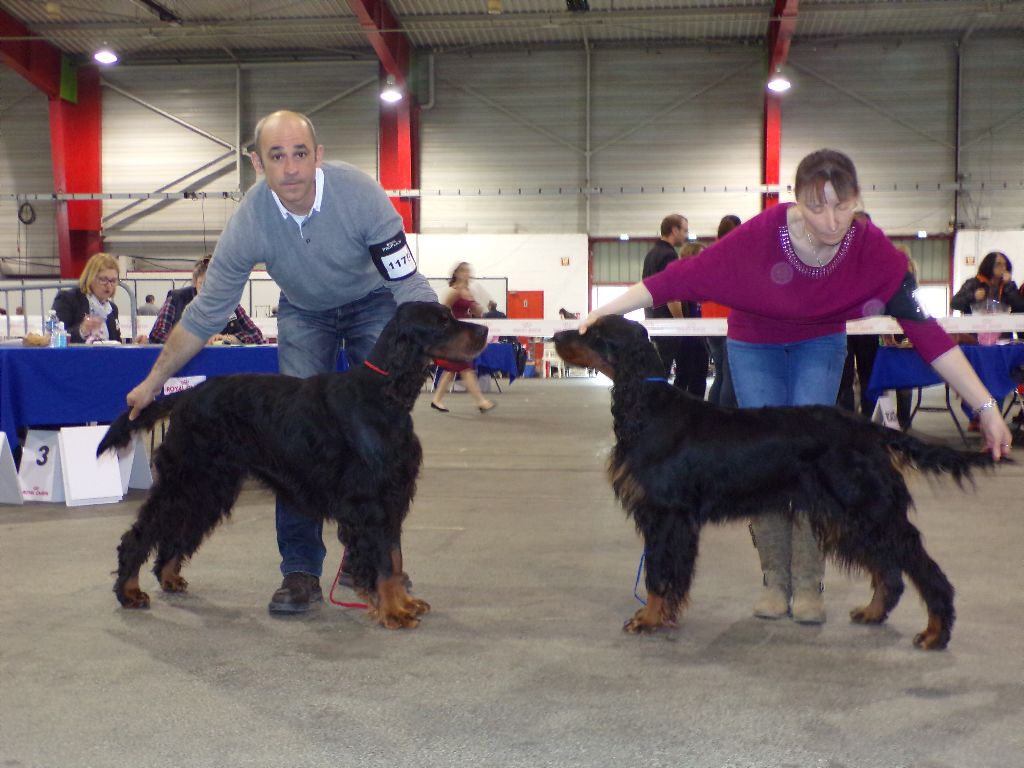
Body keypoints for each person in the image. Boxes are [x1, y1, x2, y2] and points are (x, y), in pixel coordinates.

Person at [581, 148, 1012, 626]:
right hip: (754, 345)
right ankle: (775, 581)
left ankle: (808, 583)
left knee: (815, 466)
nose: (830, 221)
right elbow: (671, 281)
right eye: (816, 206)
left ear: (856, 198)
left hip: (820, 342)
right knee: (756, 467)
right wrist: (601, 314)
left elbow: (928, 333)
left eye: (842, 205)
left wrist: (988, 406)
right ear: (796, 201)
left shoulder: (876, 254)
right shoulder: (758, 238)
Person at [124, 109, 437, 615]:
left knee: (383, 450)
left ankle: (387, 569)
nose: (290, 168)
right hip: (305, 313)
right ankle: (300, 571)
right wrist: (153, 381)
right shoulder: (250, 218)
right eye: (276, 156)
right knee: (294, 443)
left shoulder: (361, 195)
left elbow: (407, 282)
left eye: (299, 153)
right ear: (257, 163)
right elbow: (207, 311)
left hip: (372, 303)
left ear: (318, 156)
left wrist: (438, 328)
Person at [138, 257, 265, 345]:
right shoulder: (176, 299)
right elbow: (157, 335)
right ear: (195, 282)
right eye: (202, 284)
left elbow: (256, 336)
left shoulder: (231, 304)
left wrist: (229, 339)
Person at [429, 262, 496, 414]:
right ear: (458, 273)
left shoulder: (468, 291)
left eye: (469, 271)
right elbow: (443, 312)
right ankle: (481, 402)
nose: (468, 273)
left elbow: (476, 312)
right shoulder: (454, 292)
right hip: (456, 335)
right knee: (466, 368)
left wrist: (478, 309)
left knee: (452, 369)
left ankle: (437, 400)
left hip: (465, 334)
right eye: (465, 271)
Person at [641, 214, 690, 387]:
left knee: (659, 373)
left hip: (653, 321)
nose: (686, 235)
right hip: (669, 325)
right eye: (684, 230)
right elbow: (671, 295)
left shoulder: (651, 255)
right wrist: (682, 323)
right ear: (674, 230)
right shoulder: (669, 256)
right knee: (679, 372)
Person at [702, 215, 741, 406]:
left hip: (709, 323)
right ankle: (726, 417)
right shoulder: (735, 252)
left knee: (720, 373)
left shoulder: (708, 252)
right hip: (728, 321)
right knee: (730, 376)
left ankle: (712, 415)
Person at [52, 251, 122, 343]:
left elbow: (116, 342)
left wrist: (135, 345)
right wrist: (82, 331)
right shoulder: (68, 299)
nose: (109, 286)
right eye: (103, 280)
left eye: (113, 281)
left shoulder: (112, 309)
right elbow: (55, 337)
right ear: (90, 277)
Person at [951, 251, 1024, 315]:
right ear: (989, 265)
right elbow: (954, 303)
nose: (1003, 268)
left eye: (1005, 264)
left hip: (1002, 327)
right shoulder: (973, 283)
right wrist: (973, 296)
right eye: (998, 264)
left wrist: (1008, 285)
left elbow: (1020, 307)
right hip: (976, 327)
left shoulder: (1008, 286)